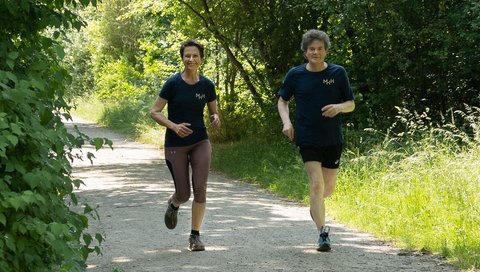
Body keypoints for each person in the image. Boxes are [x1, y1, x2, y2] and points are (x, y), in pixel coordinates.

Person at [277, 29, 355, 252]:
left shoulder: (338, 73)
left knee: (327, 189)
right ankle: (323, 233)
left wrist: (339, 107)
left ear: (326, 51)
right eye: (312, 49)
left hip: (332, 138)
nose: (316, 52)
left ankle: (316, 205)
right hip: (307, 136)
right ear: (305, 52)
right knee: (317, 184)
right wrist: (287, 123)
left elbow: (351, 103)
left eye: (320, 49)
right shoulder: (295, 75)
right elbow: (282, 101)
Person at [150, 39, 220, 252]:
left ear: (201, 59)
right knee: (184, 194)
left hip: (200, 140)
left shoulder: (207, 85)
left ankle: (195, 236)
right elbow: (155, 111)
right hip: (175, 145)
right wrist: (173, 126)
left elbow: (214, 111)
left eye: (195, 55)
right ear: (182, 58)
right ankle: (173, 204)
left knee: (201, 189)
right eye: (187, 55)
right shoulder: (173, 83)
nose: (191, 59)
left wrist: (216, 117)